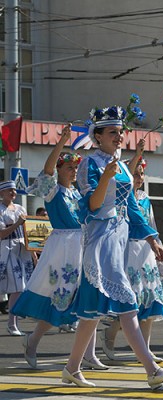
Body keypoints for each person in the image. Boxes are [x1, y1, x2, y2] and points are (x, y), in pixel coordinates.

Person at [63, 105, 163, 389]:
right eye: (113, 132)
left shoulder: (123, 165)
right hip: (100, 241)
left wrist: (152, 238)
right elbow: (92, 205)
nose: (119, 136)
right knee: (126, 303)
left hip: (119, 241)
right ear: (97, 136)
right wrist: (104, 178)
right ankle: (151, 369)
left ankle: (71, 369)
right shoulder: (90, 164)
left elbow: (133, 208)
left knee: (91, 314)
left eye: (121, 131)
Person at [12, 125, 103, 370]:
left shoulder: (78, 194)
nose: (74, 171)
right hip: (62, 249)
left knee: (87, 300)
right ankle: (32, 341)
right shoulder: (53, 191)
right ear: (60, 169)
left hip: (82, 247)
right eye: (69, 167)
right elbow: (47, 170)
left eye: (76, 167)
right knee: (57, 300)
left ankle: (89, 354)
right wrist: (62, 143)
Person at [102, 140, 163, 363]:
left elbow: (151, 224)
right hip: (128, 250)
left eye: (141, 174)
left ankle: (145, 350)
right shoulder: (122, 199)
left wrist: (158, 246)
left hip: (146, 250)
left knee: (151, 300)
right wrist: (137, 154)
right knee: (131, 301)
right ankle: (109, 335)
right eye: (135, 173)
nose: (139, 178)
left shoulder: (145, 199)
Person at [0, 180, 34, 337]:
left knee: (21, 287)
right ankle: (12, 323)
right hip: (7, 249)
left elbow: (28, 232)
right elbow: (2, 234)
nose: (13, 193)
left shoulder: (20, 208)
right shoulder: (1, 210)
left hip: (22, 249)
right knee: (17, 288)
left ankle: (13, 322)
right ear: (2, 193)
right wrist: (18, 223)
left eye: (14, 190)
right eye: (9, 191)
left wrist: (34, 254)